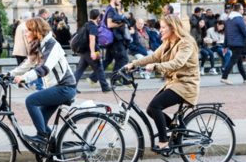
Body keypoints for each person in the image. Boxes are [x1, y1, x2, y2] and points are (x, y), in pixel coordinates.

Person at [124, 14, 200, 151]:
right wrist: (133, 64)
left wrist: (156, 67)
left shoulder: (186, 42)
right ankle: (176, 129)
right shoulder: (168, 42)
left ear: (173, 27)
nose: (161, 30)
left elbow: (178, 62)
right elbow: (154, 56)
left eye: (164, 27)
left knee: (155, 106)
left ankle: (164, 142)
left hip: (186, 84)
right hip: (174, 83)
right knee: (150, 110)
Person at [8, 17, 76, 144]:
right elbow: (27, 63)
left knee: (31, 101)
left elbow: (44, 68)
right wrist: (8, 74)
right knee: (41, 121)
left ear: (37, 31)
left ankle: (42, 136)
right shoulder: (39, 44)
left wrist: (24, 78)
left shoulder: (52, 45)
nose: (25, 33)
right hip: (56, 88)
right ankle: (55, 149)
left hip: (65, 87)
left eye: (28, 30)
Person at [74, 9, 111, 93]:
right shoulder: (93, 27)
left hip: (84, 52)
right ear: (97, 17)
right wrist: (93, 52)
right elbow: (92, 39)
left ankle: (71, 87)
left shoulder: (86, 24)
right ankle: (105, 88)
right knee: (99, 68)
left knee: (79, 70)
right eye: (100, 16)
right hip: (90, 51)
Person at [221, 3, 246, 85]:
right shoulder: (239, 19)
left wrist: (225, 45)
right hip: (238, 43)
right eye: (242, 9)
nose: (243, 10)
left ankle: (245, 78)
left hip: (231, 43)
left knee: (239, 61)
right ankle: (224, 77)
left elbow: (226, 33)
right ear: (239, 10)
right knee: (233, 60)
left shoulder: (229, 19)